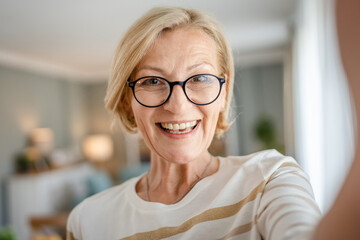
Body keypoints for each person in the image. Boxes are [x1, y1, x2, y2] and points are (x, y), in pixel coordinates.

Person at [66, 7, 322, 240]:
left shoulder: (269, 180)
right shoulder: (88, 221)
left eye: (199, 77)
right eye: (153, 81)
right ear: (126, 102)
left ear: (223, 93)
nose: (177, 106)